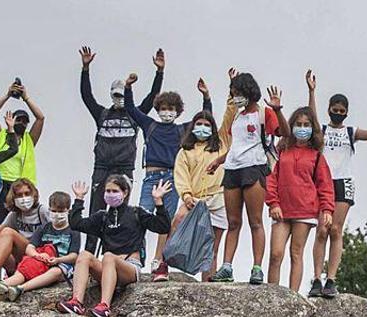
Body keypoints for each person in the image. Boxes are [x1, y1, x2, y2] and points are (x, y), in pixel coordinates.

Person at [123, 49, 214, 281]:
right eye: (164, 109)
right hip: (151, 177)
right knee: (141, 214)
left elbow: (205, 119)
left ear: (177, 111)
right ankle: (135, 254)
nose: (167, 113)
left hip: (173, 179)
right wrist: (129, 88)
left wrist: (206, 97)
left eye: (171, 109)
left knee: (167, 219)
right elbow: (131, 110)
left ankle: (159, 258)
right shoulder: (150, 125)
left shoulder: (181, 129)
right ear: (158, 109)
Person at [303, 69, 367, 297]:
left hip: (344, 182)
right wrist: (312, 91)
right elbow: (311, 118)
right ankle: (316, 278)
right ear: (329, 109)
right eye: (335, 110)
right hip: (322, 183)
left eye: (342, 111)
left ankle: (331, 279)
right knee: (321, 230)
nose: (338, 113)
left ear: (347, 113)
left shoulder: (351, 132)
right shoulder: (321, 131)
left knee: (335, 230)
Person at [210, 70, 288, 284]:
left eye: (237, 93)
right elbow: (237, 145)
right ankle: (227, 267)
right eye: (233, 93)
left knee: (255, 221)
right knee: (233, 222)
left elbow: (285, 133)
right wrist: (219, 160)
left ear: (247, 91)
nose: (235, 97)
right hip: (233, 168)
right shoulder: (237, 115)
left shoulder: (264, 114)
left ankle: (256, 268)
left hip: (254, 168)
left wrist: (278, 110)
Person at [61, 175, 173, 317]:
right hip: (107, 269)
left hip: (130, 269)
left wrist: (158, 202)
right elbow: (77, 224)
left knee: (108, 256)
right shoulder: (102, 217)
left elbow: (163, 226)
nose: (110, 194)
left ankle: (104, 306)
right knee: (84, 255)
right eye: (108, 191)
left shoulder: (136, 213)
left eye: (115, 191)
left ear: (125, 192)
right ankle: (76, 302)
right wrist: (79, 199)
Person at [79, 46, 144, 252]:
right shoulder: (102, 114)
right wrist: (85, 69)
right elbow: (86, 96)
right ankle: (89, 255)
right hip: (102, 168)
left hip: (125, 168)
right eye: (116, 95)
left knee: (122, 212)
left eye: (123, 95)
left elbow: (152, 97)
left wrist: (159, 73)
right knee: (95, 212)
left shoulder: (135, 114)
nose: (119, 98)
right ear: (111, 95)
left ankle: (118, 253)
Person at [266, 106, 335, 292]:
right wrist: (273, 202)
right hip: (281, 209)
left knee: (296, 254)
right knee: (275, 254)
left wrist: (327, 209)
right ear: (291, 126)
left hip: (305, 211)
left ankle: (292, 297)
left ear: (312, 129)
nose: (302, 128)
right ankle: (271, 295)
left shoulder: (317, 156)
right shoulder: (282, 151)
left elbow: (325, 185)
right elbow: (271, 179)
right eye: (298, 124)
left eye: (306, 125)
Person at [0, 191, 82, 301]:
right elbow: (30, 247)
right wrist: (38, 255)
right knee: (25, 267)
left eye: (61, 211)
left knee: (56, 272)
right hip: (42, 260)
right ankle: (1, 285)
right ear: (49, 210)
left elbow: (74, 256)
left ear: (68, 211)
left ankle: (20, 288)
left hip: (62, 264)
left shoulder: (73, 230)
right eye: (54, 211)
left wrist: (57, 260)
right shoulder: (44, 228)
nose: (57, 214)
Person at [172, 110, 230, 280]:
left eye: (207, 125)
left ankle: (209, 282)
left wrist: (232, 89)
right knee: (177, 221)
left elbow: (229, 116)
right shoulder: (185, 151)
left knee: (212, 247)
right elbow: (181, 176)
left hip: (218, 198)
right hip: (194, 199)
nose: (202, 128)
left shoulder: (221, 145)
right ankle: (162, 265)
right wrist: (187, 195)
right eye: (199, 124)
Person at [0, 80, 46, 224]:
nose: (21, 123)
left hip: (19, 186)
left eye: (25, 121)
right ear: (12, 119)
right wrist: (7, 95)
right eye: (18, 119)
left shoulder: (29, 140)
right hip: (0, 184)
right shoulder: (0, 136)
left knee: (19, 219)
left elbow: (40, 118)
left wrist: (26, 98)